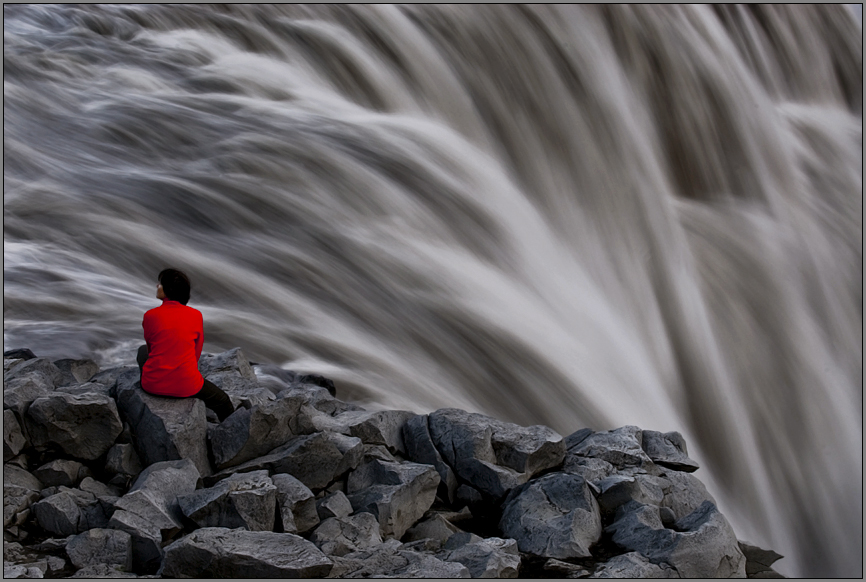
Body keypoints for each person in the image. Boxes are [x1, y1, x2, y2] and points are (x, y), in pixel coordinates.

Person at [136, 268, 234, 421]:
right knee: (223, 401)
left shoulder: (150, 316)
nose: (157, 286)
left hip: (152, 386)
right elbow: (196, 353)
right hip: (186, 386)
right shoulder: (196, 315)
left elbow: (151, 348)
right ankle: (230, 437)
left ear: (169, 289)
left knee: (142, 351)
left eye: (160, 283)